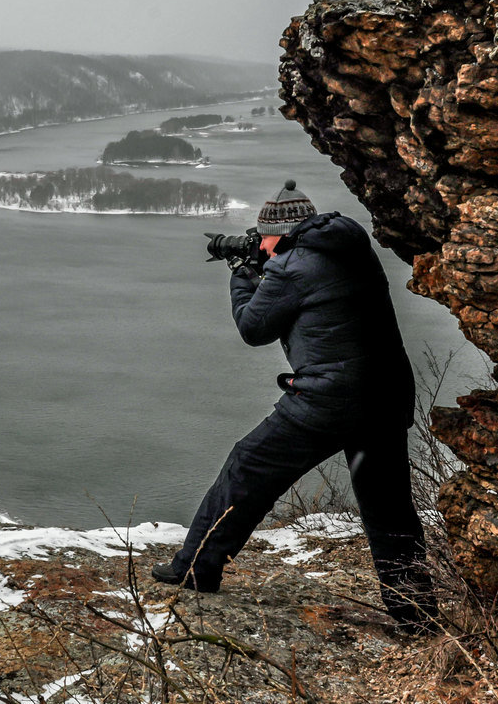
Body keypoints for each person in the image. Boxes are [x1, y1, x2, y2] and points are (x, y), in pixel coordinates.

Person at [152, 180, 436, 632]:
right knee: (388, 509)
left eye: (265, 236)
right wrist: (267, 256)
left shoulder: (291, 267)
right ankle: (416, 616)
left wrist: (243, 274)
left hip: (328, 400)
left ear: (283, 235)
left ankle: (195, 568)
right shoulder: (350, 245)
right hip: (384, 396)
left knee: (249, 468)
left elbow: (253, 327)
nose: (261, 243)